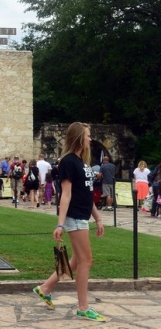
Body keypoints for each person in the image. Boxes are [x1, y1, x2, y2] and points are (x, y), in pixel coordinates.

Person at [33, 122, 106, 322]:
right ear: (78, 137)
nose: (90, 139)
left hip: (83, 215)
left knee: (75, 260)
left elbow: (87, 194)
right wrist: (59, 224)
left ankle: (45, 288)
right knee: (86, 260)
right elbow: (66, 195)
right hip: (74, 217)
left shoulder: (82, 162)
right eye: (87, 135)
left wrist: (98, 218)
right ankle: (83, 307)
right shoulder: (68, 162)